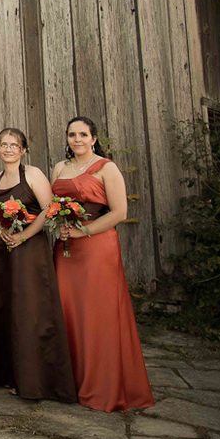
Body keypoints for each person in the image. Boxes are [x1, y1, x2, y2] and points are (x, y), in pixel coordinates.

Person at [50, 116, 154, 412]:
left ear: (94, 138)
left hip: (97, 247)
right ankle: (72, 381)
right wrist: (59, 228)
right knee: (68, 311)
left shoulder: (107, 168)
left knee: (98, 314)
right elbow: (53, 206)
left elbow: (119, 212)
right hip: (66, 249)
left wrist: (83, 231)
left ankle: (102, 385)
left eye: (83, 134)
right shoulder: (59, 168)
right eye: (72, 134)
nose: (77, 139)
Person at [0, 128, 76, 401]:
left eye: (14, 145)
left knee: (30, 309)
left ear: (23, 150)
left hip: (30, 249)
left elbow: (48, 209)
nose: (8, 149)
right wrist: (1, 229)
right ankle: (5, 373)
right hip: (4, 249)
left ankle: (33, 378)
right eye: (3, 144)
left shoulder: (33, 175)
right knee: (6, 307)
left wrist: (24, 235)